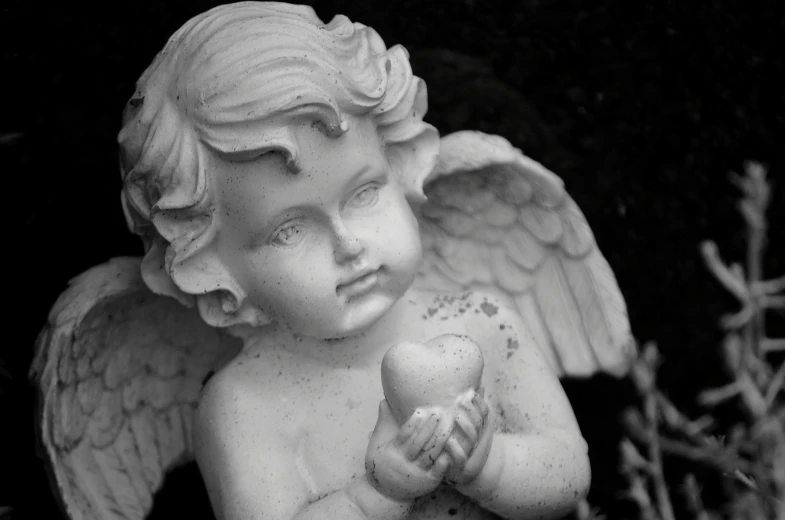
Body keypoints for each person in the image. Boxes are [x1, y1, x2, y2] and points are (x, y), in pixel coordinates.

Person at [118, 3, 590, 519]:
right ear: (214, 267)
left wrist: (489, 466)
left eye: (364, 193)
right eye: (290, 230)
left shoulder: (484, 321)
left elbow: (568, 472)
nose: (348, 244)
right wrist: (376, 496)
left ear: (399, 165)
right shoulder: (245, 408)